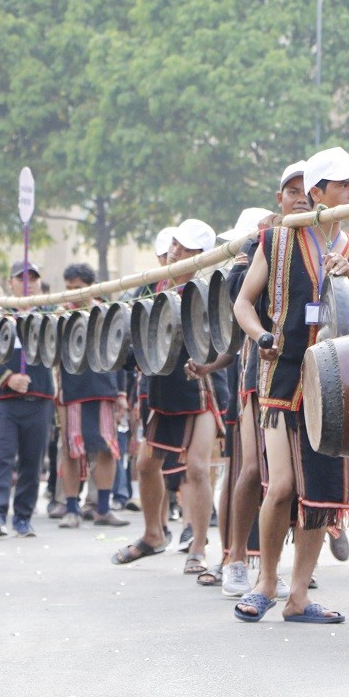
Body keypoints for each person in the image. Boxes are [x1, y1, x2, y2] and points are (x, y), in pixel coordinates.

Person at [231, 147, 349, 624]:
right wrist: (262, 337)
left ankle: (298, 596)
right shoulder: (275, 240)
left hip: (337, 383)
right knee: (282, 487)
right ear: (318, 193)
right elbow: (243, 305)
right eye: (343, 185)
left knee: (320, 493)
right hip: (283, 374)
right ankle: (265, 583)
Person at [114, 220, 222, 572]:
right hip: (160, 387)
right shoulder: (149, 287)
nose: (176, 252)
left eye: (186, 248)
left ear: (201, 257)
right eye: (175, 244)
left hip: (198, 385)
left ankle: (199, 548)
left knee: (196, 468)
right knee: (146, 465)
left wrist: (206, 364)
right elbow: (124, 335)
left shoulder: (209, 290)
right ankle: (152, 535)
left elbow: (223, 341)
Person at [220, 182, 307, 598]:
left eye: (308, 190)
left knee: (299, 476)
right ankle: (236, 557)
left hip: (314, 375)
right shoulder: (265, 242)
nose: (302, 197)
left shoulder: (336, 244)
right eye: (293, 191)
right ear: (281, 199)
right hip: (262, 370)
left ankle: (288, 571)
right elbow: (238, 303)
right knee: (255, 471)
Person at [0, 261, 57, 538]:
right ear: (10, 282)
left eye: (33, 277)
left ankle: (23, 517)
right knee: (2, 455)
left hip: (41, 398)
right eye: (21, 278)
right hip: (6, 399)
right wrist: (8, 377)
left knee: (32, 461)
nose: (28, 282)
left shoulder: (51, 314)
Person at [54, 264, 131, 531]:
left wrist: (121, 392)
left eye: (78, 287)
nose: (73, 293)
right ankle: (72, 508)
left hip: (104, 388)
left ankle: (103, 508)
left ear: (90, 286)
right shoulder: (59, 316)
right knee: (71, 449)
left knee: (107, 449)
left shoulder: (107, 313)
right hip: (71, 390)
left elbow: (119, 352)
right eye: (69, 288)